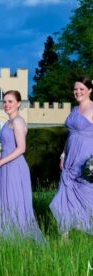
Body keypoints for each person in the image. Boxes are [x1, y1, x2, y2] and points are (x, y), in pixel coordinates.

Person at [0, 90, 43, 241]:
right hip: (5, 167)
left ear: (18, 103)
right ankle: (4, 238)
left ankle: (20, 239)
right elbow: (5, 146)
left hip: (15, 167)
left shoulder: (18, 121)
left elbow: (21, 148)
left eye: (10, 101)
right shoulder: (7, 123)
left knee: (14, 203)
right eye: (4, 101)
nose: (6, 104)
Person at [50, 77, 93, 236]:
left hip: (86, 158)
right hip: (70, 158)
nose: (78, 92)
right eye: (75, 89)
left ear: (90, 90)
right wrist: (63, 155)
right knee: (65, 194)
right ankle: (64, 235)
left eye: (82, 89)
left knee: (88, 194)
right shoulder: (74, 110)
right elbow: (70, 135)